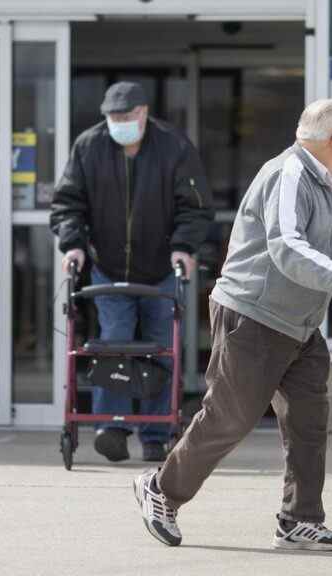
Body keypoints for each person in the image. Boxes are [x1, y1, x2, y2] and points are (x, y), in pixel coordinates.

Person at [132, 99, 332, 551]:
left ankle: (299, 521)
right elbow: (287, 248)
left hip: (300, 325)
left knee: (309, 422)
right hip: (254, 317)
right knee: (230, 418)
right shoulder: (289, 173)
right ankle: (161, 488)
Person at [50, 82, 214, 463]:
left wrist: (183, 247)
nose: (119, 124)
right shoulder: (89, 147)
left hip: (160, 266)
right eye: (112, 118)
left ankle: (155, 432)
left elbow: (195, 206)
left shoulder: (173, 147)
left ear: (143, 113)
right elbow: (67, 203)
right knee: (115, 342)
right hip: (108, 267)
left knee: (160, 346)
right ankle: (112, 427)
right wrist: (72, 244)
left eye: (126, 117)